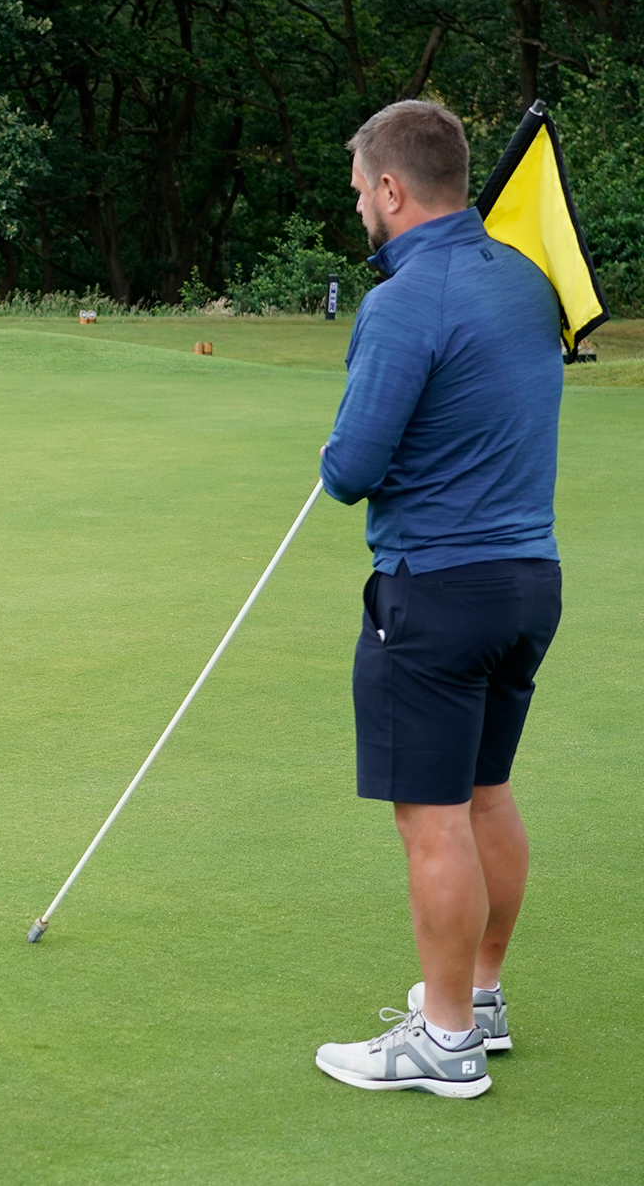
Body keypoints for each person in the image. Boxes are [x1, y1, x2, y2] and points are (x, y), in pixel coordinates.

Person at [314, 100, 564, 1098]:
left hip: (433, 592)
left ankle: (446, 1037)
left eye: (358, 197)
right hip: (524, 586)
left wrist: (338, 448)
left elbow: (351, 467)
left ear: (388, 188)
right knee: (483, 793)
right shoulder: (524, 279)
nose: (358, 215)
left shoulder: (400, 301)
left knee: (430, 818)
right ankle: (480, 998)